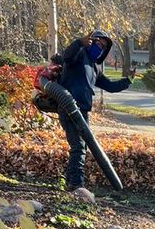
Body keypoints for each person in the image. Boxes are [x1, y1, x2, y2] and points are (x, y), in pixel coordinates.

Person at [57, 30, 135, 191]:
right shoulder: (78, 55)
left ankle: (70, 182)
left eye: (104, 46)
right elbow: (67, 56)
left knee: (82, 146)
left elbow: (110, 86)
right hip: (68, 107)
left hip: (83, 111)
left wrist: (128, 80)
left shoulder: (95, 67)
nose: (100, 47)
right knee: (78, 146)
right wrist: (79, 42)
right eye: (98, 42)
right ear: (91, 41)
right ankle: (76, 185)